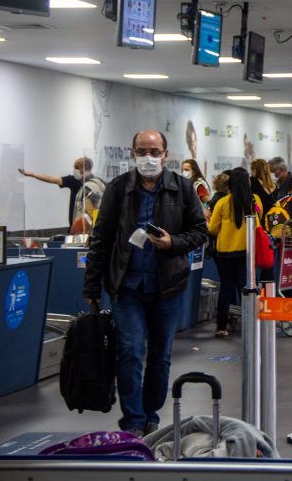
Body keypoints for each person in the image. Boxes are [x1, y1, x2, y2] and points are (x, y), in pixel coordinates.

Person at [83, 130, 208, 437]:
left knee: (160, 355)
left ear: (166, 154)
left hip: (168, 286)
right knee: (130, 351)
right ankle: (133, 420)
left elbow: (200, 231)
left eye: (154, 151)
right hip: (126, 286)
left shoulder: (183, 188)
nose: (148, 157)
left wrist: (172, 243)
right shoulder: (118, 188)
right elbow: (100, 239)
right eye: (142, 150)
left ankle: (151, 412)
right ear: (133, 152)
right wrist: (91, 287)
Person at [208, 168, 263, 337]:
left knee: (226, 288)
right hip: (246, 253)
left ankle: (221, 327)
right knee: (246, 288)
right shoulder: (253, 201)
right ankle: (251, 323)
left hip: (225, 253)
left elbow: (213, 230)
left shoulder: (222, 203)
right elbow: (258, 227)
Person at [18, 157, 99, 232]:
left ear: (83, 168)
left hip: (89, 230)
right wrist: (32, 174)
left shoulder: (95, 184)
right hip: (75, 229)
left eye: (76, 168)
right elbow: (52, 179)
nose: (74, 170)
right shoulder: (73, 180)